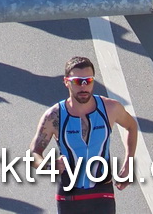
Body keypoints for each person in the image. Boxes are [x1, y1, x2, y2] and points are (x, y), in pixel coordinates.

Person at [30, 55, 139, 209]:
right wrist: (48, 166)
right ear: (66, 82)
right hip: (69, 195)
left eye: (88, 81)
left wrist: (128, 163)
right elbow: (34, 153)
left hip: (102, 192)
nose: (83, 86)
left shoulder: (110, 108)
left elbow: (132, 127)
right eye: (77, 81)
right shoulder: (54, 116)